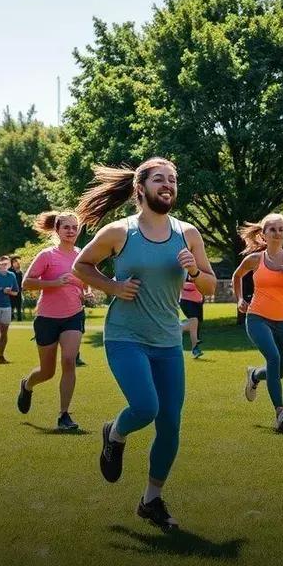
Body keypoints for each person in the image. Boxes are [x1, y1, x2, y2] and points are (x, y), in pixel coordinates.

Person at [74, 157, 216, 532]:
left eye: (172, 178)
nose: (167, 184)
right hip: (126, 337)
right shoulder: (120, 232)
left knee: (170, 425)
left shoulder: (188, 234)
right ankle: (115, 433)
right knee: (146, 407)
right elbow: (81, 267)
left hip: (167, 340)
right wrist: (114, 287)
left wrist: (195, 270)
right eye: (159, 179)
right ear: (141, 189)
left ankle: (150, 500)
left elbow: (210, 287)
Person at [233, 213, 283, 430]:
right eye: (272, 229)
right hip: (257, 318)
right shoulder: (255, 259)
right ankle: (281, 412)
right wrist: (240, 299)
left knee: (278, 371)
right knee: (274, 358)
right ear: (264, 234)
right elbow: (237, 276)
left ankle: (255, 374)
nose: (277, 233)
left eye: (281, 229)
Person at [16, 211, 92, 431]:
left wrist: (86, 292)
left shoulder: (82, 256)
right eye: (66, 227)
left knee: (69, 361)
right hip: (47, 317)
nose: (70, 231)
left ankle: (64, 415)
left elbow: (85, 282)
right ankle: (27, 385)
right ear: (57, 230)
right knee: (47, 372)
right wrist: (55, 283)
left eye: (74, 227)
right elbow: (26, 283)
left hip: (73, 315)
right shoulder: (47, 255)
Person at [179, 281, 205, 359]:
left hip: (198, 301)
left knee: (197, 325)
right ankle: (179, 328)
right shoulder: (184, 272)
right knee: (194, 321)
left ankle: (195, 349)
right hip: (187, 301)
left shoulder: (199, 271)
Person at [11, 256, 25, 321]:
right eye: (14, 262)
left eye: (17, 261)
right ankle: (11, 318)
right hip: (11, 292)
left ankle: (19, 319)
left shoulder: (21, 272)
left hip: (19, 292)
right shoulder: (10, 271)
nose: (16, 263)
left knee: (19, 307)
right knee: (11, 307)